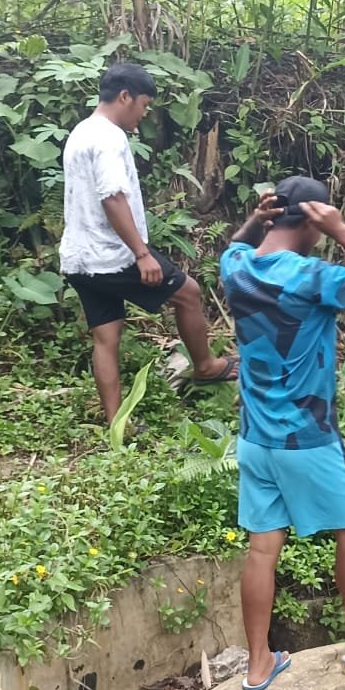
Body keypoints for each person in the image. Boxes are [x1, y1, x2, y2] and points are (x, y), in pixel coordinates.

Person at [221, 176, 345, 690]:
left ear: (272, 214)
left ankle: (258, 662)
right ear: (311, 221)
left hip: (256, 438)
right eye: (321, 228)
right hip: (308, 437)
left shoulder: (236, 268)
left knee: (263, 549)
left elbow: (236, 245)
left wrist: (251, 220)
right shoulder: (311, 275)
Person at [59, 63, 237, 425]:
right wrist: (141, 253)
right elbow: (112, 198)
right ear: (124, 96)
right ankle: (205, 366)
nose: (143, 115)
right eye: (142, 104)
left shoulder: (82, 131)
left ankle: (116, 424)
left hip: (80, 258)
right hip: (112, 255)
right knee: (187, 293)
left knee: (106, 337)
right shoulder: (109, 137)